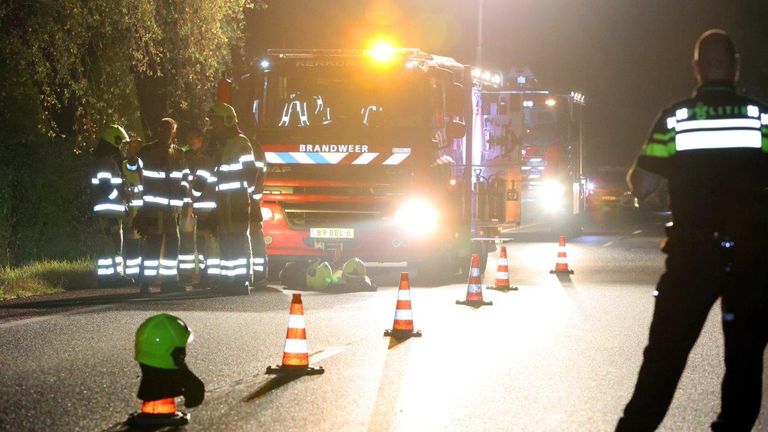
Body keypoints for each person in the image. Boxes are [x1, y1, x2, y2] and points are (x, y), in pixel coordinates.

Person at [616, 30, 768, 432]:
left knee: (664, 356)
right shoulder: (760, 118)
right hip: (753, 259)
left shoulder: (676, 119)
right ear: (735, 66)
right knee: (745, 359)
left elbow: (642, 185)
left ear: (697, 68)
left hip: (692, 257)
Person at [207, 103, 261, 294]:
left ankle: (241, 280)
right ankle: (229, 279)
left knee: (237, 239)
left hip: (236, 200)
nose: (214, 126)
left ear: (228, 121)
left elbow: (251, 171)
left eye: (216, 122)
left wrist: (246, 195)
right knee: (227, 240)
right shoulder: (224, 145)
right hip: (225, 200)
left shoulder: (240, 143)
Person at [132, 118, 187, 294]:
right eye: (163, 130)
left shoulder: (179, 153)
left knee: (172, 243)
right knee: (154, 243)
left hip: (171, 209)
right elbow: (133, 170)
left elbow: (185, 176)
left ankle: (169, 281)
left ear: (173, 133)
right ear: (158, 131)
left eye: (169, 130)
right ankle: (146, 282)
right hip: (154, 207)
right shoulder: (146, 151)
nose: (166, 133)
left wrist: (184, 192)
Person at [91, 124, 132, 287]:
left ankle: (107, 276)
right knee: (113, 243)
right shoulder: (105, 162)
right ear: (113, 141)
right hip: (109, 209)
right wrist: (121, 200)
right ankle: (114, 275)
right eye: (120, 142)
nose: (121, 146)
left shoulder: (106, 161)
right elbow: (106, 186)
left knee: (110, 242)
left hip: (108, 208)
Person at [187, 126, 221, 288]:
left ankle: (209, 276)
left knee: (206, 244)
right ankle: (208, 274)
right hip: (207, 207)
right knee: (205, 243)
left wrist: (190, 197)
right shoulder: (210, 156)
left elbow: (199, 183)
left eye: (193, 138)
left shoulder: (205, 158)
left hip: (206, 208)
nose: (190, 142)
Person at [122, 137, 144, 280]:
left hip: (142, 209)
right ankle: (131, 273)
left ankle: (142, 273)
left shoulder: (144, 165)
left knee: (143, 243)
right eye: (133, 147)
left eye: (138, 148)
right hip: (129, 210)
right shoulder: (123, 164)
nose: (134, 150)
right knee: (130, 243)